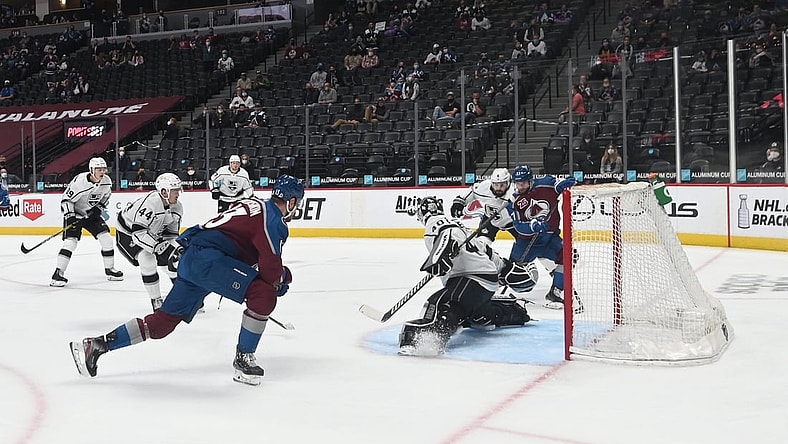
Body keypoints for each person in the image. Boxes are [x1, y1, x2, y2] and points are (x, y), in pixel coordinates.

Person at [69, 176, 305, 386]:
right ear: (292, 202)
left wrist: (180, 245)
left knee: (161, 324)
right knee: (263, 296)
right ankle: (243, 359)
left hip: (195, 257)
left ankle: (97, 345)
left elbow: (218, 231)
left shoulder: (252, 204)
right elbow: (271, 272)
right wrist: (284, 278)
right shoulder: (274, 220)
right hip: (209, 261)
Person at [398, 196, 534, 356]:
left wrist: (438, 258)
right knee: (475, 314)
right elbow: (483, 249)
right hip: (486, 281)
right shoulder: (461, 226)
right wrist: (505, 268)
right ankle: (511, 312)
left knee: (443, 303)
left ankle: (432, 337)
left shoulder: (434, 222)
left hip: (472, 277)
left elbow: (447, 236)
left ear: (422, 214)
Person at [505, 165, 579, 311]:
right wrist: (533, 226)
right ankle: (492, 292)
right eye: (518, 183)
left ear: (531, 180)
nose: (520, 186)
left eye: (524, 183)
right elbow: (519, 227)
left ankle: (555, 292)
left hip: (549, 239)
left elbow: (558, 184)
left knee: (570, 256)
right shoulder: (513, 201)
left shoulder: (545, 183)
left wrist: (565, 184)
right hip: (526, 243)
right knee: (509, 272)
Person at [51, 157, 124, 287]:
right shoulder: (79, 183)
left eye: (103, 169)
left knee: (107, 239)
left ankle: (110, 270)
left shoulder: (106, 181)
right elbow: (66, 200)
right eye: (98, 169)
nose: (102, 172)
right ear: (91, 170)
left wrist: (99, 208)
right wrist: (70, 216)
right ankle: (58, 274)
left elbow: (107, 195)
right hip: (75, 214)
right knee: (70, 243)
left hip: (91, 214)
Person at [116, 173, 184, 311]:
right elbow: (138, 233)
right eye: (175, 190)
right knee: (147, 259)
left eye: (178, 189)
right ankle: (156, 300)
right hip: (127, 233)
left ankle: (184, 296)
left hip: (151, 232)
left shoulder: (177, 207)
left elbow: (171, 235)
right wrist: (157, 246)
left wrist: (176, 250)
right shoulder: (151, 203)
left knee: (173, 260)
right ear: (164, 191)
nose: (178, 193)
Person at [450, 167, 516, 246]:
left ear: (508, 183)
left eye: (502, 185)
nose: (498, 188)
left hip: (513, 223)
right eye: (496, 185)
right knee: (481, 245)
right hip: (490, 220)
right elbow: (471, 193)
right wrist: (460, 203)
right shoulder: (483, 187)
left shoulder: (514, 193)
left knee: (525, 249)